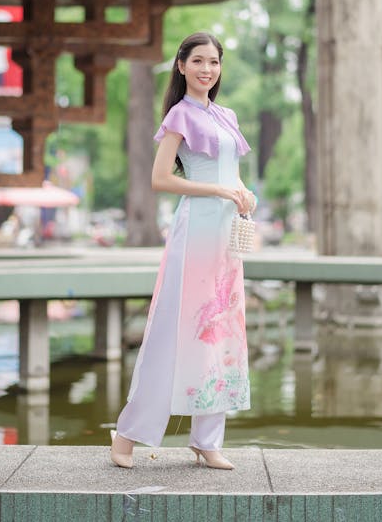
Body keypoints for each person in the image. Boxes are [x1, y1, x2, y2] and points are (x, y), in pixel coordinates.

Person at [111, 31, 256, 470]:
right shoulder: (179, 115)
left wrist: (244, 193)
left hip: (225, 235)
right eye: (198, 61)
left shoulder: (226, 115)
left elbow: (233, 174)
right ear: (181, 66)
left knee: (221, 330)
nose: (207, 70)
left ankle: (207, 440)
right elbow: (160, 179)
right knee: (175, 331)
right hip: (195, 230)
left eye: (213, 62)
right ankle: (127, 435)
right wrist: (216, 189)